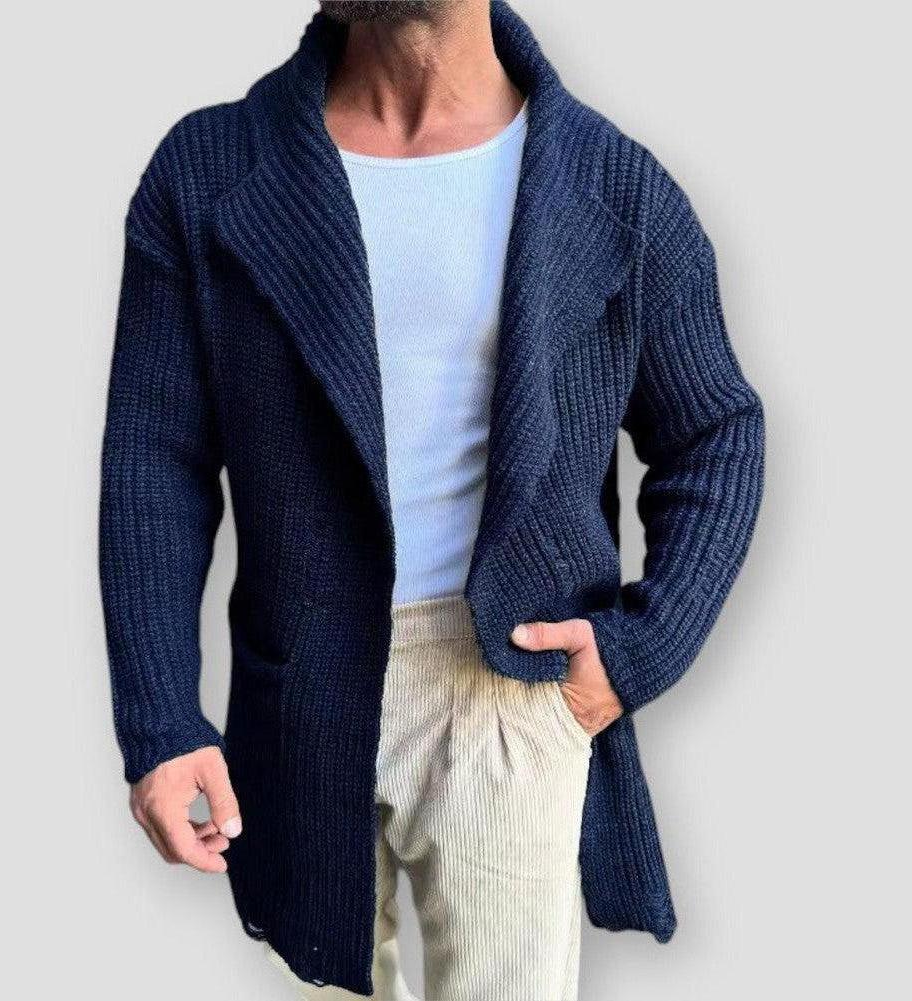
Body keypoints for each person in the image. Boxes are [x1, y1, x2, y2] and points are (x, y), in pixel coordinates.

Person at [99, 2, 765, 998]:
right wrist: (159, 719)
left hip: (513, 688)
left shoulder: (611, 186)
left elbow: (714, 428)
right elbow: (154, 458)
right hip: (298, 693)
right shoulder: (208, 172)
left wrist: (635, 651)